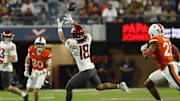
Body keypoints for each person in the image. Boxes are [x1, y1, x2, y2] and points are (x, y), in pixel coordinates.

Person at [57, 14, 130, 101]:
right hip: (92, 68)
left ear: (74, 36)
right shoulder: (88, 38)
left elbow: (62, 39)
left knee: (68, 87)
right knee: (99, 87)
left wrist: (59, 28)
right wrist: (73, 22)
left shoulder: (72, 43)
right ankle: (119, 85)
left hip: (85, 71)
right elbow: (82, 30)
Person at [140, 23, 180, 101]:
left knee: (178, 86)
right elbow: (176, 50)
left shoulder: (155, 40)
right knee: (148, 83)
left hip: (169, 68)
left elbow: (148, 54)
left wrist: (143, 51)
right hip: (164, 69)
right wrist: (178, 62)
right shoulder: (165, 39)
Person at [0, 30, 28, 101]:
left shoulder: (12, 45)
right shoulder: (1, 43)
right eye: (5, 37)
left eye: (8, 37)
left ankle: (23, 94)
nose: (6, 38)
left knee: (7, 87)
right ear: (2, 37)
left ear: (11, 37)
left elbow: (14, 58)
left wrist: (4, 61)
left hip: (5, 69)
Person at [24, 36, 52, 101]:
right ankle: (43, 83)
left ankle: (42, 82)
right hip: (34, 71)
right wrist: (26, 69)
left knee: (36, 89)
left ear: (44, 45)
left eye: (41, 44)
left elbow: (49, 67)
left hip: (42, 72)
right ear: (35, 44)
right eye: (38, 44)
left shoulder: (47, 53)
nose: (39, 46)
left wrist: (42, 71)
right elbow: (28, 59)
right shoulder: (31, 49)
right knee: (29, 89)